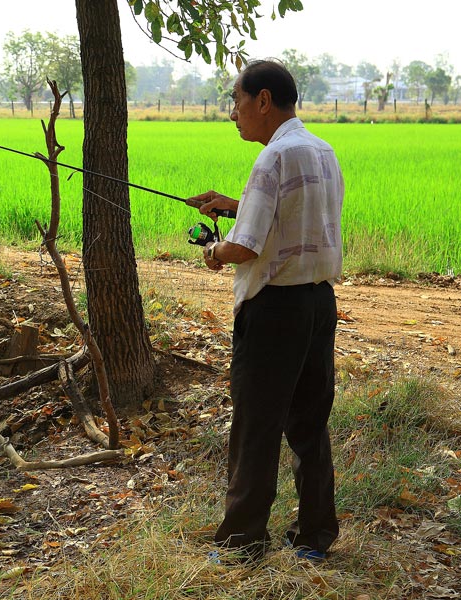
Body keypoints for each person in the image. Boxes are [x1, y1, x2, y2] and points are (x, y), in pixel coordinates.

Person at [189, 59, 344, 562]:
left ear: (262, 101)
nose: (233, 114)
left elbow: (247, 248)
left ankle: (241, 542)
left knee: (256, 425)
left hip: (274, 310)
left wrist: (212, 253)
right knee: (308, 423)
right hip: (319, 304)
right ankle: (315, 538)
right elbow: (294, 219)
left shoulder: (272, 159)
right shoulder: (321, 150)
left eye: (236, 102)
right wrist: (237, 204)